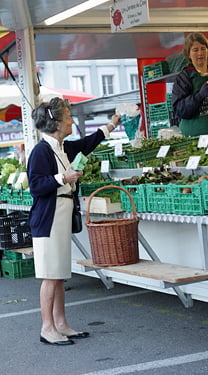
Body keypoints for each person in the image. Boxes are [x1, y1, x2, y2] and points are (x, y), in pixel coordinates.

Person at [27, 97, 120, 346]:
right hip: (47, 220)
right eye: (68, 117)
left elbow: (87, 143)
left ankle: (61, 323)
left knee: (58, 274)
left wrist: (110, 126)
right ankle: (47, 327)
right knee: (50, 275)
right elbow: (35, 186)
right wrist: (62, 177)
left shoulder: (62, 147)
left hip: (61, 215)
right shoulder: (41, 150)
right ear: (56, 122)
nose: (70, 120)